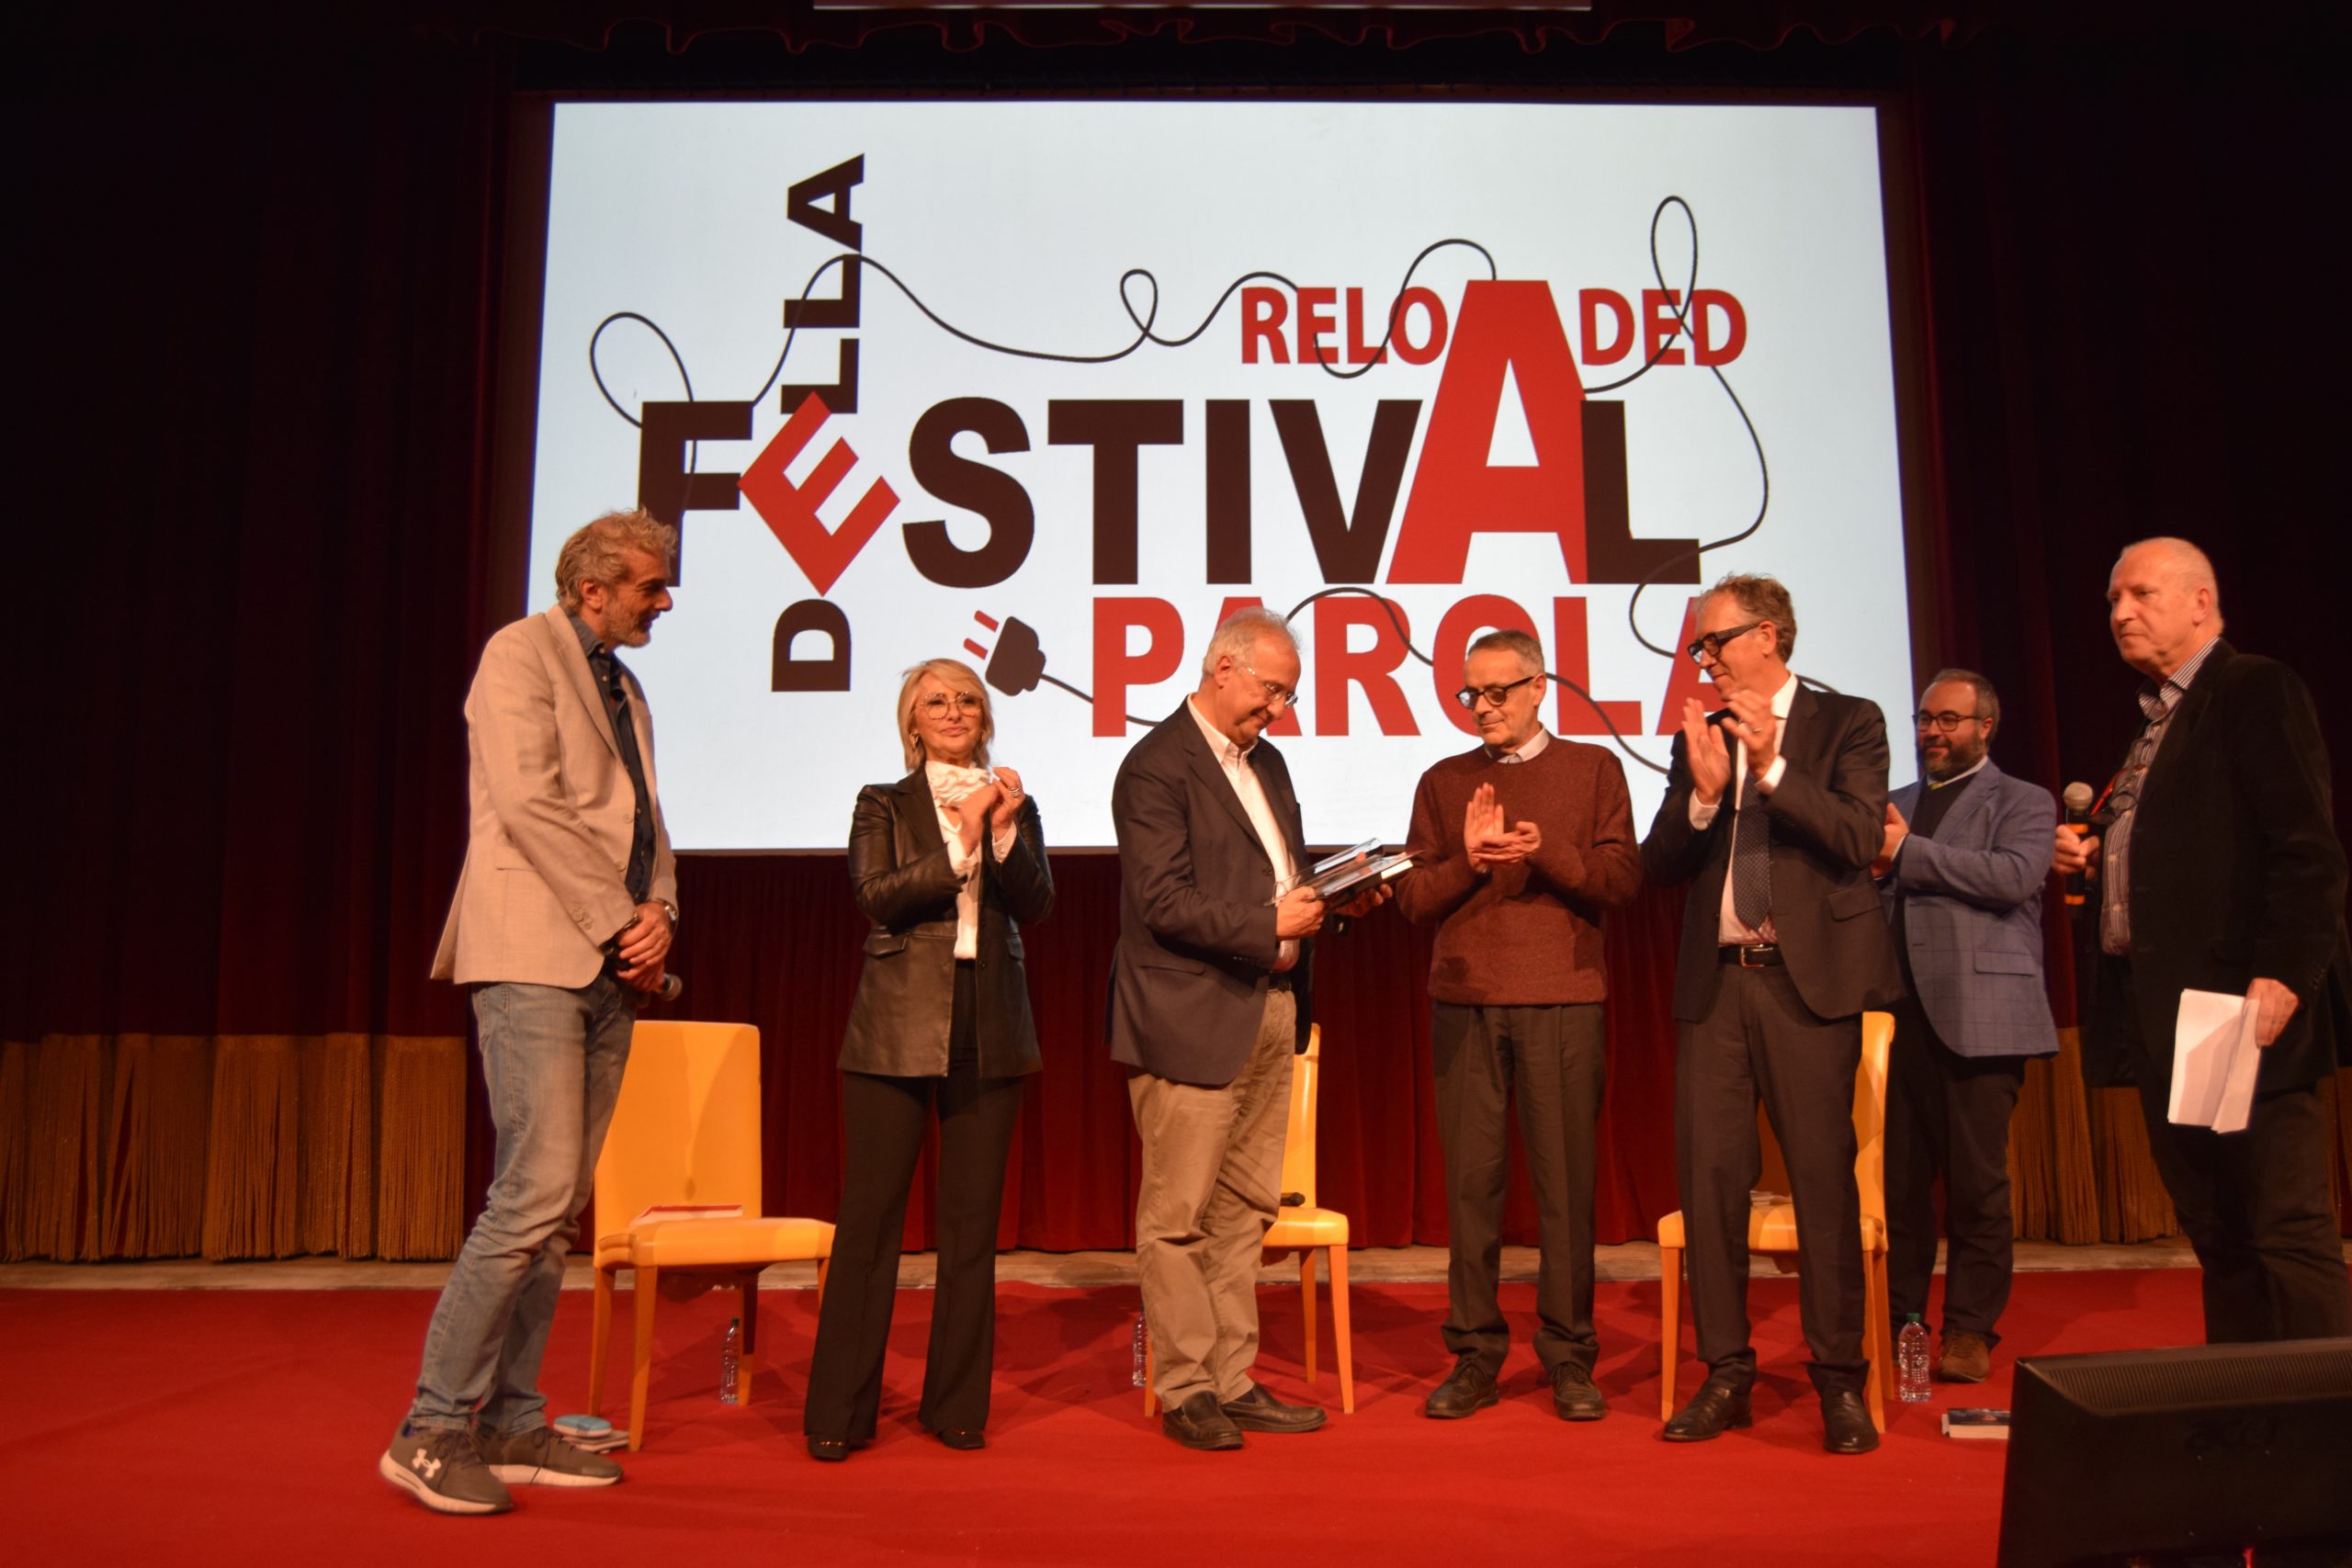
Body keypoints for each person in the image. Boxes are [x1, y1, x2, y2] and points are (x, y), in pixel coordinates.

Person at [382, 507, 681, 1515]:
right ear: (592, 588)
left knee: (557, 1213)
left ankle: (511, 1420)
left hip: (610, 964)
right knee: (531, 1193)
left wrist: (661, 913)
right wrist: (619, 918)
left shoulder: (624, 685)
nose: (663, 601)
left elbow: (645, 818)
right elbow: (528, 804)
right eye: (649, 585)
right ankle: (431, 1427)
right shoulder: (518, 655)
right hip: (533, 955)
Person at [2050, 537, 2352, 1343]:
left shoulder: (2252, 688)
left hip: (2245, 1009)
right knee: (2218, 1234)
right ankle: (2246, 1402)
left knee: (2285, 1227)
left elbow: (2308, 851)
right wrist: (2098, 860)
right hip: (2168, 1017)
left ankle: (2326, 1408)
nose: (2120, 613)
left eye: (2140, 594)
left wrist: (2284, 973)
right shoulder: (2154, 722)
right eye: (2113, 601)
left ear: (2201, 602)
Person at [1640, 572, 1903, 1456]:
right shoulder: (1703, 736)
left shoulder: (1848, 722)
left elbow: (1860, 837)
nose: (1703, 659)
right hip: (1717, 987)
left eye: (1713, 641)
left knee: (1824, 1183)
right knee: (1710, 1182)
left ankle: (1840, 1379)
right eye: (1699, 646)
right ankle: (1726, 1371)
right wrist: (1704, 795)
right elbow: (1659, 863)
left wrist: (1772, 769)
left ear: (1768, 635)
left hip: (1807, 984)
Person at [1109, 606, 1383, 1450]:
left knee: (1246, 1208)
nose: (1279, 709)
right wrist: (1271, 924)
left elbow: (1279, 883)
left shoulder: (1268, 763)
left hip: (1271, 1006)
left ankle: (1231, 1376)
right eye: (1273, 690)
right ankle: (1186, 1386)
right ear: (1222, 667)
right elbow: (1163, 902)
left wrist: (1334, 902)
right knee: (1178, 1214)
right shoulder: (1156, 766)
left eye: (1289, 695)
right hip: (1189, 1016)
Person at [804, 658, 1053, 1461]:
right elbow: (876, 895)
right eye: (936, 700)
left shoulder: (1015, 801)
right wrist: (964, 839)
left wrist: (1003, 828)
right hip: (897, 1024)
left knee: (972, 1227)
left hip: (991, 1020)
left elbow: (1038, 903)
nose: (953, 710)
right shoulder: (883, 801)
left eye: (967, 699)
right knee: (871, 1222)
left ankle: (956, 1405)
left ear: (986, 717)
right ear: (912, 721)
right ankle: (840, 1410)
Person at [1396, 629, 1641, 1422]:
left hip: (1562, 998)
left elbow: (1620, 880)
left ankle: (1569, 1354)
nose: (1482, 707)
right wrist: (1468, 861)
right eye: (1471, 693)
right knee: (1472, 1187)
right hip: (1466, 1001)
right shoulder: (1443, 780)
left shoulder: (1593, 769)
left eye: (1497, 691)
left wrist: (1548, 853)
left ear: (1540, 687)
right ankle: (1474, 1354)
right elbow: (1412, 899)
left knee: (1565, 1186)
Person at [1871, 669, 2057, 1383]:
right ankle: (1905, 1328)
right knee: (1900, 1190)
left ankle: (1971, 1330)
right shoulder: (1895, 803)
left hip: (1983, 1019)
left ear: (1986, 726)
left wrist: (1904, 853)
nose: (1932, 732)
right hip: (1897, 1019)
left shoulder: (2024, 800)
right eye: (1924, 719)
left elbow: (2012, 877)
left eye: (1949, 720)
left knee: (1977, 1187)